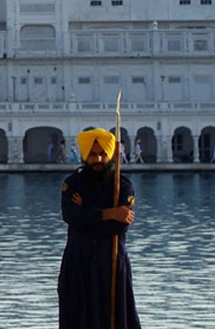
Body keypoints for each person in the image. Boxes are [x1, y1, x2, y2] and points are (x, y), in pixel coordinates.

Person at [59, 128, 140, 329]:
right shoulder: (73, 184)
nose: (98, 160)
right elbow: (70, 216)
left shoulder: (122, 186)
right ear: (85, 155)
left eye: (103, 154)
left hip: (110, 262)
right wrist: (109, 213)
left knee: (113, 316)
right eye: (93, 155)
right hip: (79, 262)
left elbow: (118, 227)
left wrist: (87, 212)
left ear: (110, 154)